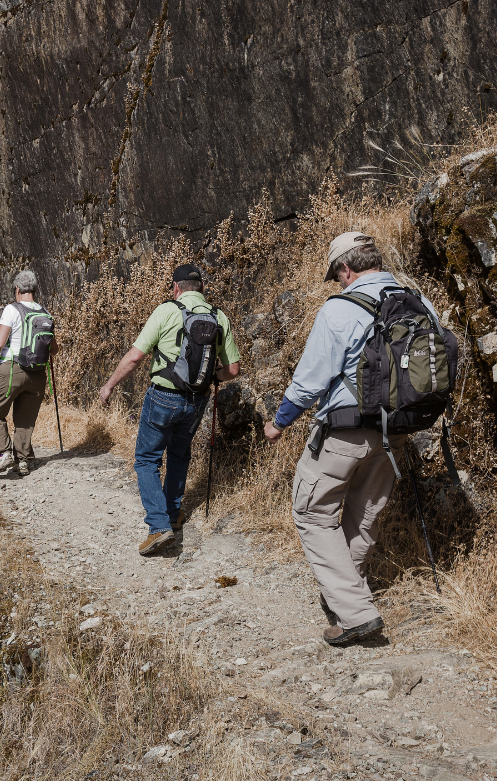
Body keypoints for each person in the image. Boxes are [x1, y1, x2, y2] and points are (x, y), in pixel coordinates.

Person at [263, 232, 440, 646]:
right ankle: (346, 597)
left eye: (337, 275)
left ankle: (357, 613)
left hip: (344, 432)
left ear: (346, 268)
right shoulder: (418, 301)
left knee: (312, 513)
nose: (338, 283)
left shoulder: (340, 309)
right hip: (395, 434)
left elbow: (310, 380)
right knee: (363, 516)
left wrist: (279, 422)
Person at [99, 264, 240, 556]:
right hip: (197, 400)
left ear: (176, 288)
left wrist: (109, 385)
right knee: (179, 454)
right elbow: (233, 370)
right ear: (201, 288)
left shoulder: (166, 310)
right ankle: (174, 512)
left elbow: (136, 356)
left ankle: (159, 526)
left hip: (163, 396)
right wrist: (214, 377)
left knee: (147, 460)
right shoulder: (218, 316)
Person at [0, 270, 59, 476]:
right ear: (34, 289)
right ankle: (23, 461)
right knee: (25, 419)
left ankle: (4, 454)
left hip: (12, 369)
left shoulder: (12, 310)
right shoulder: (45, 313)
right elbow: (54, 349)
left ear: (17, 290)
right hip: (38, 374)